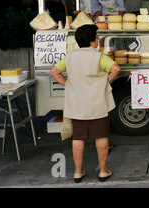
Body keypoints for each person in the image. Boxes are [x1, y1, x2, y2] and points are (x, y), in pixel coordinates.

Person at [50, 24, 121, 183]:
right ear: (92, 41)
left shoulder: (70, 57)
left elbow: (54, 72)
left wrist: (67, 83)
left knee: (78, 137)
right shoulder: (99, 57)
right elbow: (116, 69)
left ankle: (78, 172)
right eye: (96, 37)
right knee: (101, 136)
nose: (97, 40)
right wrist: (105, 82)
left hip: (77, 104)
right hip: (98, 104)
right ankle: (103, 171)